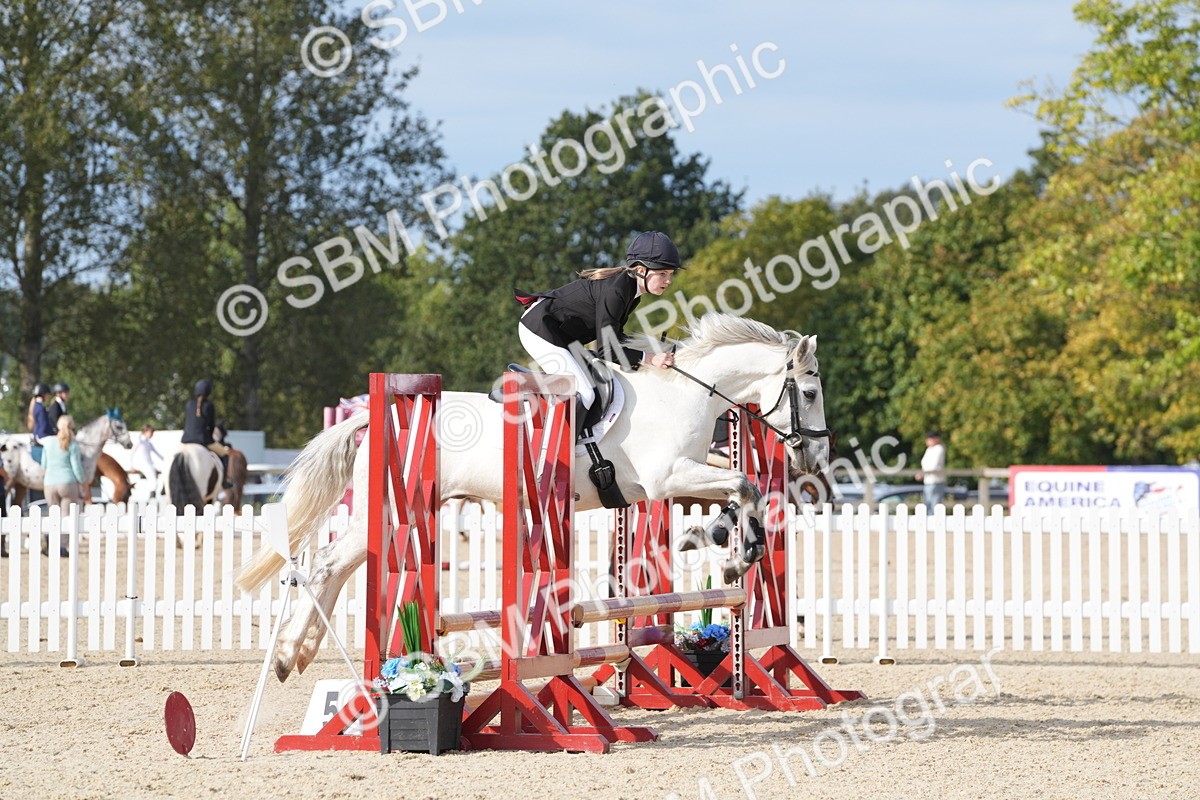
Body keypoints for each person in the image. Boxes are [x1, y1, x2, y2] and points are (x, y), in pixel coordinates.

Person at [515, 231, 682, 425]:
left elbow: (614, 338)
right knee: (584, 392)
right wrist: (651, 359)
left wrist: (652, 351)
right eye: (662, 273)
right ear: (641, 270)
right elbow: (607, 350)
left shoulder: (631, 291)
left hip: (562, 336)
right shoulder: (617, 290)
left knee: (598, 383)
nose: (668, 281)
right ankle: (558, 452)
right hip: (539, 328)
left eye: (670, 274)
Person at [40, 415, 86, 554]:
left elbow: (43, 465)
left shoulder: (49, 443)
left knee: (53, 514)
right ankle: (62, 547)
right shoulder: (72, 444)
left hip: (49, 484)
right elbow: (76, 468)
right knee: (66, 515)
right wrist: (83, 482)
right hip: (67, 483)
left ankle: (51, 543)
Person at [182, 378, 230, 479]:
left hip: (185, 440)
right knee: (225, 454)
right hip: (203, 440)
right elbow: (211, 426)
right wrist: (210, 438)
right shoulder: (209, 406)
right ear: (208, 392)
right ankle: (225, 481)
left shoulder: (189, 404)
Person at [130, 424, 165, 497]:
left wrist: (167, 461)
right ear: (145, 431)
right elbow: (132, 453)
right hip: (141, 464)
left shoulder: (148, 443)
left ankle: (163, 488)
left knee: (163, 469)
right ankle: (152, 497)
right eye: (151, 432)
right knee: (153, 479)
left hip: (149, 464)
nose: (152, 434)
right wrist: (132, 465)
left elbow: (158, 454)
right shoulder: (139, 441)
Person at [916, 430, 947, 512]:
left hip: (936, 481)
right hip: (928, 481)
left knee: (935, 506)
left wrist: (922, 473)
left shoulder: (939, 449)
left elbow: (933, 465)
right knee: (928, 506)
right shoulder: (929, 449)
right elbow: (925, 464)